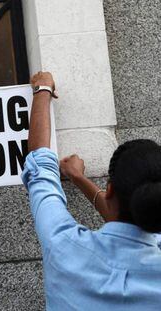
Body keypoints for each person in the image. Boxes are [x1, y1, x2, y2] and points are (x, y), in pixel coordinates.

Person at [23, 71, 161, 310]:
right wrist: (78, 178)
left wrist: (42, 90)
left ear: (109, 190)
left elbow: (39, 168)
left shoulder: (63, 244)